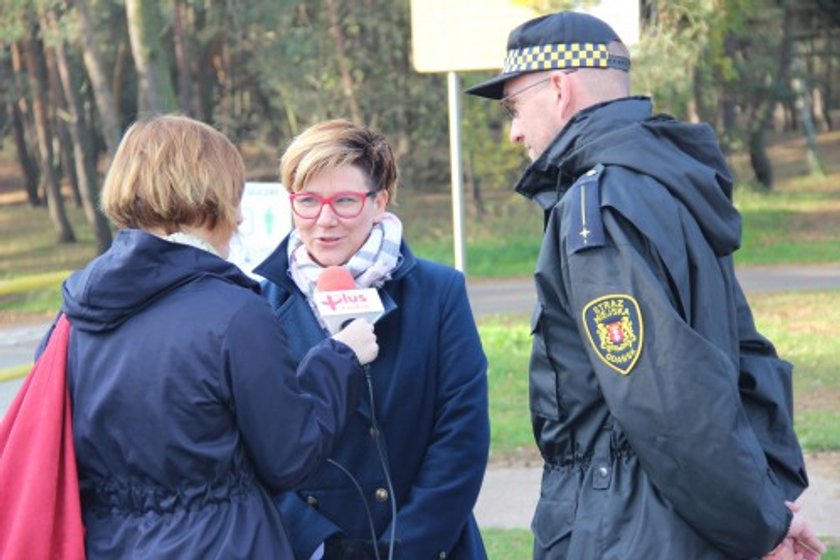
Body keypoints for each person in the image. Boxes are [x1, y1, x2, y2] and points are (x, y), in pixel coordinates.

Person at [465, 11, 826, 560]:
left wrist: (763, 527)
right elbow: (743, 358)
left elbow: (668, 400)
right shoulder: (665, 182)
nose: (514, 130)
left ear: (559, 88)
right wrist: (766, 507)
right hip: (674, 520)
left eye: (515, 106)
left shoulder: (599, 206)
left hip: (630, 527)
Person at [44, 114, 378, 558]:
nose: (240, 215)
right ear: (212, 199)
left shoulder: (75, 315)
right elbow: (290, 457)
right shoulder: (236, 314)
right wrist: (338, 359)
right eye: (235, 194)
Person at [254, 119, 490, 559]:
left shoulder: (440, 293)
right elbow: (248, 453)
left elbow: (461, 438)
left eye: (344, 201)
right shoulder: (256, 305)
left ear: (379, 202)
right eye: (307, 201)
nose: (324, 220)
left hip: (426, 546)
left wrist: (402, 548)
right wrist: (318, 544)